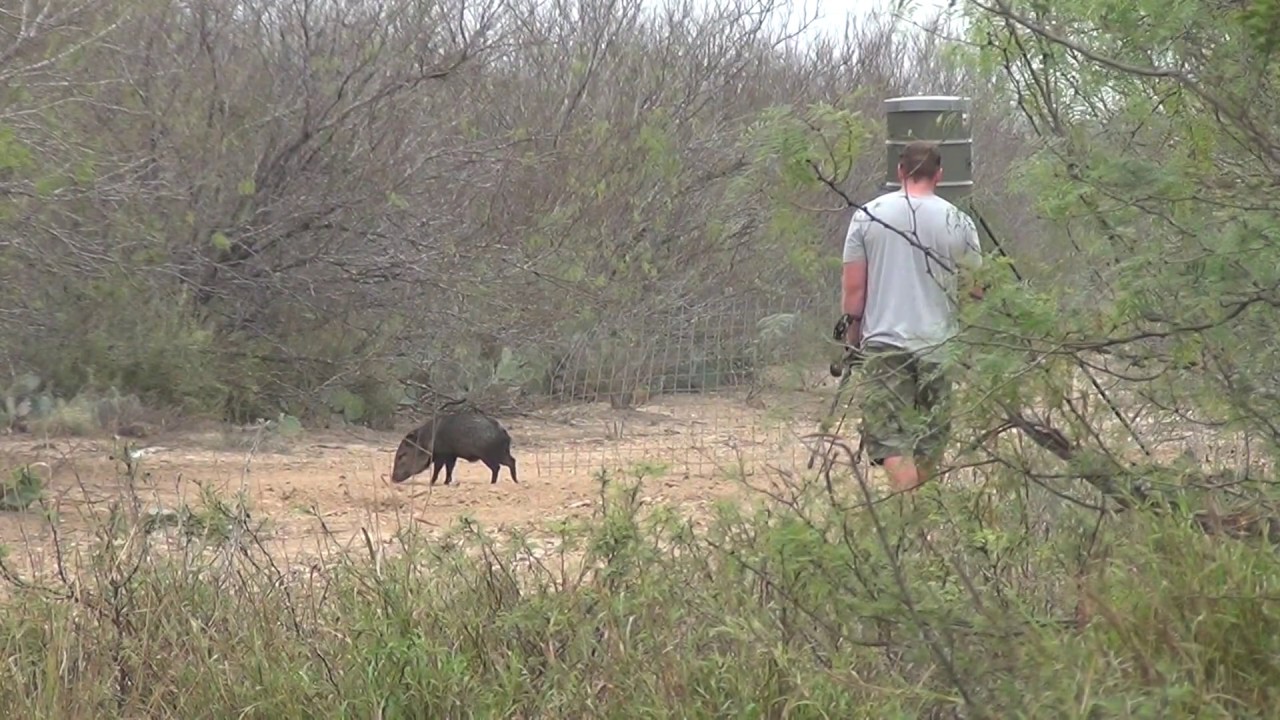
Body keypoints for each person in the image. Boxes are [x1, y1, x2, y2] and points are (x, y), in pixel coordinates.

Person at [839, 140, 984, 493]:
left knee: (890, 436)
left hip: (885, 343)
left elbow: (855, 289)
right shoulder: (960, 222)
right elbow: (975, 290)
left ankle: (909, 507)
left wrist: (851, 335)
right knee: (931, 435)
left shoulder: (867, 215)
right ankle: (918, 505)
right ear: (939, 175)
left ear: (900, 171)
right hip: (939, 344)